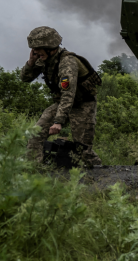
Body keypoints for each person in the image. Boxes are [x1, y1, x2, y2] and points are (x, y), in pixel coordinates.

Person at [21, 26, 103, 167]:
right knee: (36, 134)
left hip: (82, 105)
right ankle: (33, 170)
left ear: (49, 47)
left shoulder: (67, 63)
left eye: (37, 48)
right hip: (62, 103)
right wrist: (31, 62)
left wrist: (58, 121)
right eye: (33, 49)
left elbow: (68, 94)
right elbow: (25, 78)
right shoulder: (44, 59)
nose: (35, 51)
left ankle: (100, 174)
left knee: (82, 149)